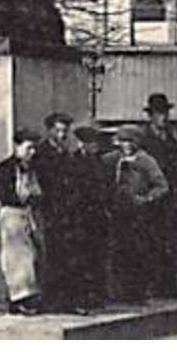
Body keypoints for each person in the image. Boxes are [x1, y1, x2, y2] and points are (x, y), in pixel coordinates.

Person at [30, 112, 90, 314]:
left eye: (65, 131)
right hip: (50, 212)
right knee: (52, 257)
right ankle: (52, 300)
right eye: (58, 130)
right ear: (49, 131)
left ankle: (68, 300)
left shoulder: (66, 152)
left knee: (69, 256)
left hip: (68, 212)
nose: (62, 134)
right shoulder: (41, 153)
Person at [105, 124, 169, 303]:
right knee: (119, 252)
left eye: (129, 141)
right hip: (118, 213)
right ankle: (118, 291)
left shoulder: (146, 160)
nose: (126, 145)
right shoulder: (112, 159)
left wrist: (147, 198)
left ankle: (137, 292)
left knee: (138, 252)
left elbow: (162, 186)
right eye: (122, 141)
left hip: (138, 215)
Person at [0, 128, 44, 315]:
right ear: (17, 147)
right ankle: (20, 298)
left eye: (34, 149)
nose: (32, 153)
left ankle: (30, 296)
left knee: (33, 254)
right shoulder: (6, 168)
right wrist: (15, 196)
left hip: (30, 213)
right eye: (28, 148)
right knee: (18, 257)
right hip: (12, 214)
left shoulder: (34, 167)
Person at [138, 93, 177, 296]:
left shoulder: (171, 137)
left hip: (174, 197)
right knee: (153, 240)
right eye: (159, 114)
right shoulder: (145, 139)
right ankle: (153, 284)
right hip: (155, 197)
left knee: (173, 241)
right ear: (151, 116)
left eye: (165, 113)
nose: (164, 118)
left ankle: (169, 284)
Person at [70, 124, 115, 307]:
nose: (95, 146)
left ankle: (98, 293)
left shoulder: (100, 162)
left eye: (96, 142)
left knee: (99, 255)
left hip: (99, 215)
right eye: (91, 142)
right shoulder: (74, 161)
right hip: (82, 216)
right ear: (83, 144)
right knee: (83, 256)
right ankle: (85, 294)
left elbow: (107, 186)